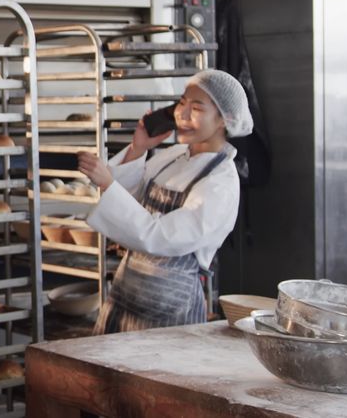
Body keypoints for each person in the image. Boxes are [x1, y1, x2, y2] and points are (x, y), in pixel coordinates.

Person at [77, 70, 253, 334]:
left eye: (196, 108)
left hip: (170, 308)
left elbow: (161, 238)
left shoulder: (220, 183)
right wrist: (138, 148)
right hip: (125, 296)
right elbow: (131, 201)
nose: (182, 114)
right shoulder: (173, 155)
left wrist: (107, 183)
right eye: (181, 103)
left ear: (224, 120)